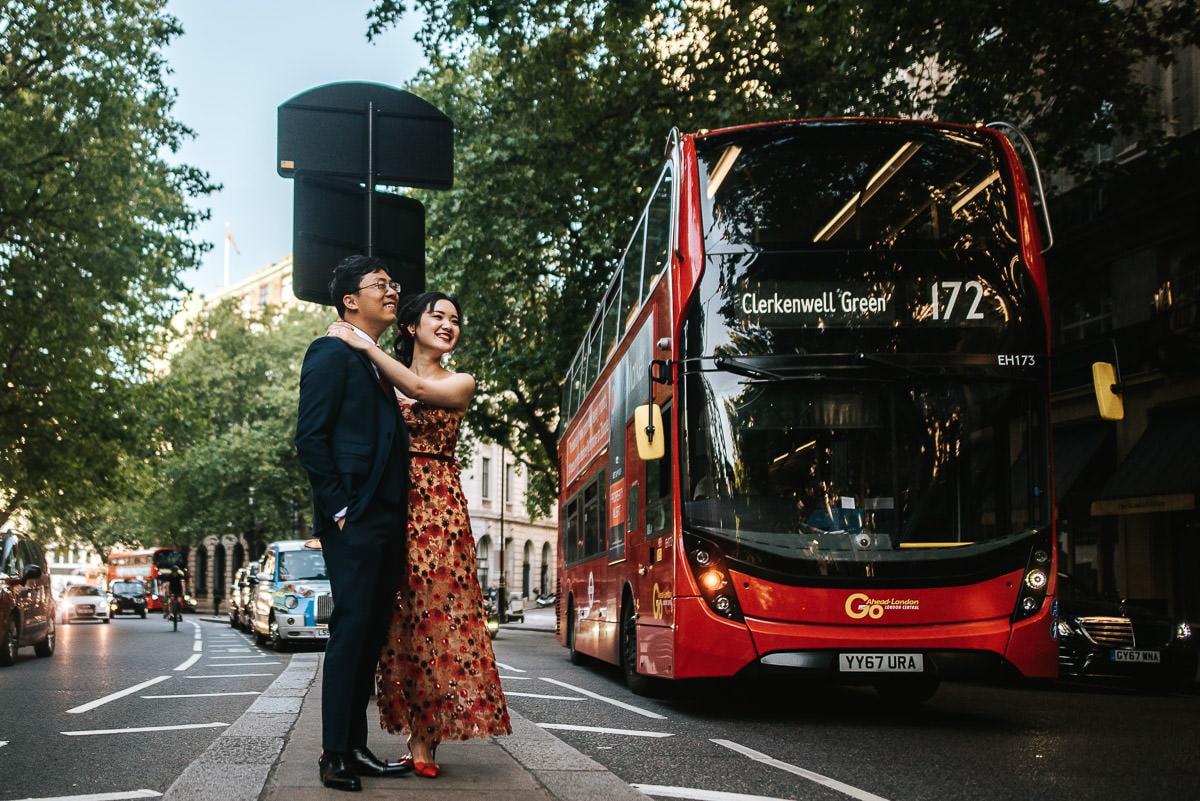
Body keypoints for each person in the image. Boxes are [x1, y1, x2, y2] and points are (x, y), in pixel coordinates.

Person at [327, 290, 512, 779]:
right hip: (389, 503)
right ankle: (371, 735)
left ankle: (424, 738)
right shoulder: (381, 383)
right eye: (438, 315)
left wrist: (365, 344)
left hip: (439, 512)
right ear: (411, 327)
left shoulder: (460, 382)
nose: (449, 324)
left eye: (455, 319)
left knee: (439, 621)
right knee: (393, 627)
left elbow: (421, 391)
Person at [294, 255, 413, 791]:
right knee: (350, 631)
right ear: (349, 299)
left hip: (387, 517)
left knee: (368, 635)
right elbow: (311, 438)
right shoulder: (329, 353)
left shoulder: (372, 360)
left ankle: (356, 745)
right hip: (357, 518)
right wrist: (341, 510)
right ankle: (333, 753)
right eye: (380, 285)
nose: (391, 292)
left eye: (393, 284)